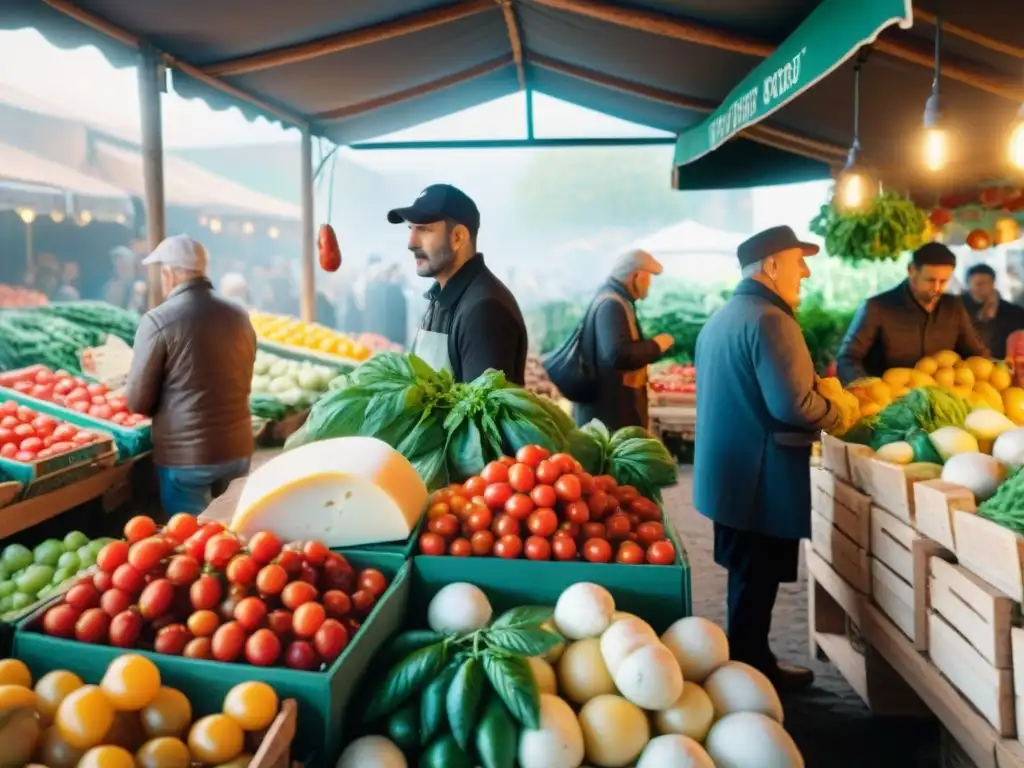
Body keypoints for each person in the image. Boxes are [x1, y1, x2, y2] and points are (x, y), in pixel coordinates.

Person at [694, 225, 840, 690]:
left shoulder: (725, 316)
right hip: (761, 477)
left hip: (729, 475)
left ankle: (749, 661)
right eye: (799, 261)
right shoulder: (771, 320)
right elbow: (792, 405)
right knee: (756, 581)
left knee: (747, 578)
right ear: (772, 266)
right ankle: (752, 670)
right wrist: (840, 410)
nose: (807, 271)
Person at [124, 235, 256, 515]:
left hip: (187, 459)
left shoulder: (157, 320)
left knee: (194, 541)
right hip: (238, 447)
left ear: (169, 274)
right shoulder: (239, 315)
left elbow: (138, 402)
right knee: (232, 533)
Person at [387, 184, 527, 383]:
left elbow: (483, 411)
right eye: (411, 228)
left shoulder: (485, 310)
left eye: (424, 229)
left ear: (458, 237)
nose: (411, 243)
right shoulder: (440, 298)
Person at [836, 242, 990, 383]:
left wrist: (999, 367)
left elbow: (977, 354)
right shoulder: (877, 307)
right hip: (888, 402)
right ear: (911, 270)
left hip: (941, 399)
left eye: (943, 281)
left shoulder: (953, 306)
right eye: (930, 280)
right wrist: (866, 388)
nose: (937, 288)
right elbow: (848, 359)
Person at [571, 249, 674, 431]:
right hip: (609, 419)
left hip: (610, 416)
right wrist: (657, 345)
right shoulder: (611, 304)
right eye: (648, 277)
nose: (649, 284)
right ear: (636, 276)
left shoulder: (615, 300)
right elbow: (618, 355)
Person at [961, 263, 1024, 359]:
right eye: (977, 284)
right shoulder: (956, 307)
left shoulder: (1013, 312)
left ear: (993, 284)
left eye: (986, 283)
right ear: (968, 285)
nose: (982, 288)